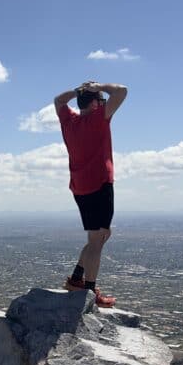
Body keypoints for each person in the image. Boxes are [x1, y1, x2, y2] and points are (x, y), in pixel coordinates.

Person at [54, 80, 127, 307]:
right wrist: (99, 86)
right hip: (100, 184)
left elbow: (59, 100)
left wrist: (78, 91)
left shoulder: (69, 122)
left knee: (100, 236)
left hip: (80, 186)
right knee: (98, 239)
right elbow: (122, 91)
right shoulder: (99, 118)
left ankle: (76, 278)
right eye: (100, 100)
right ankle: (89, 291)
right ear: (95, 103)